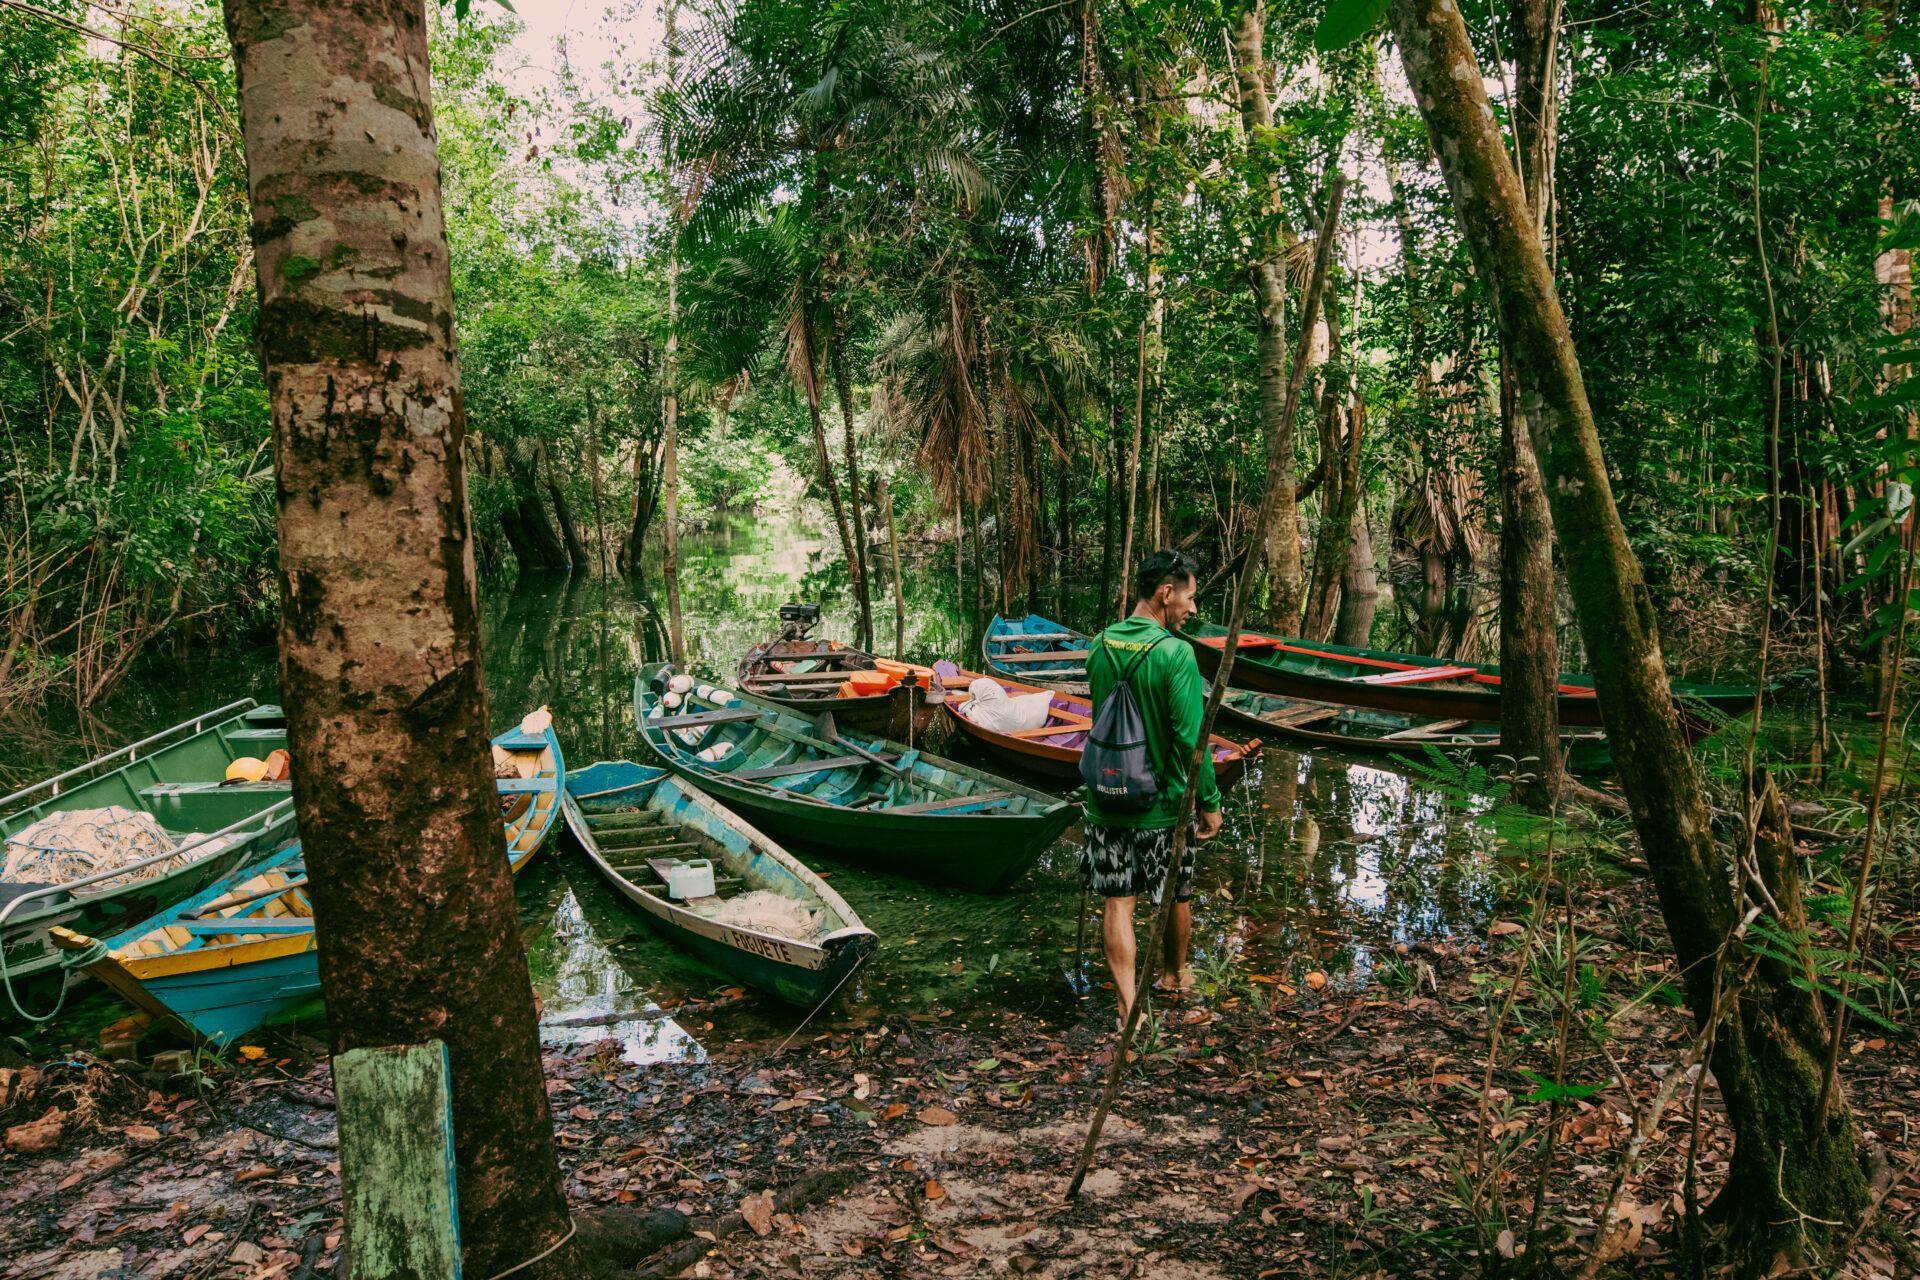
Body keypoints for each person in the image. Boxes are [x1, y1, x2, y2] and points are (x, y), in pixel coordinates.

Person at [1081, 548, 1222, 1028]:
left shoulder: (1099, 645)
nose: (1193, 609)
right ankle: (1173, 976)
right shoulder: (1175, 653)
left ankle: (1127, 1008)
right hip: (1161, 807)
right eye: (1189, 597)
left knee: (1118, 901)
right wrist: (1210, 802)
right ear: (1166, 593)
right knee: (1175, 894)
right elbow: (1190, 741)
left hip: (1106, 798)